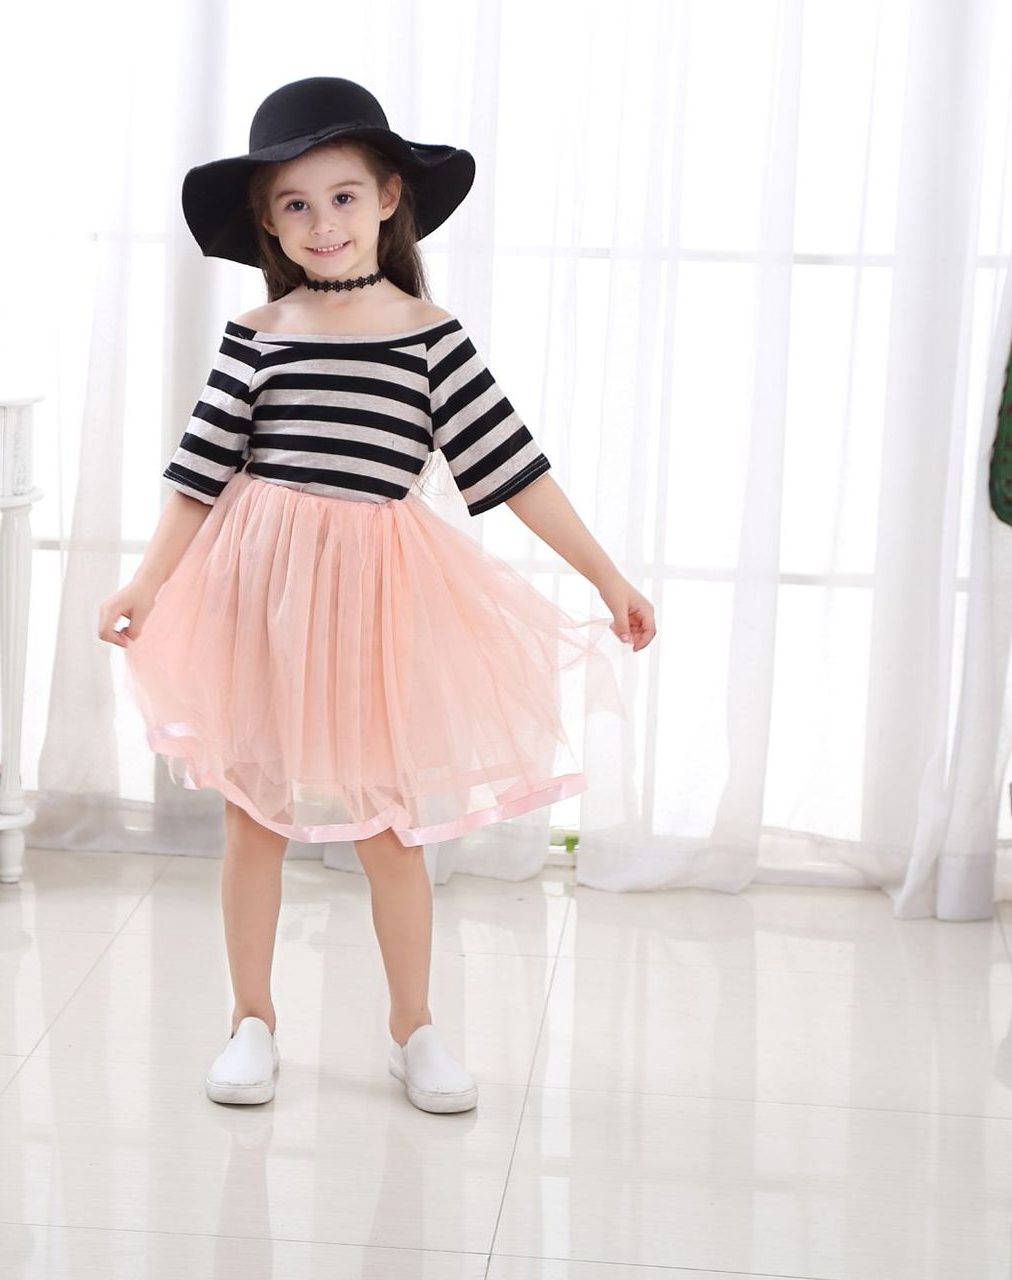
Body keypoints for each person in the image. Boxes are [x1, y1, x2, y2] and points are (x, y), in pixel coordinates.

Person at [96, 76, 656, 1114]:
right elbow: (200, 474)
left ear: (390, 198)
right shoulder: (258, 331)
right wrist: (146, 579)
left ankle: (414, 1027)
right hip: (260, 597)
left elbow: (515, 470)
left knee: (389, 825)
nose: (324, 222)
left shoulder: (431, 337)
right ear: (268, 221)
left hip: (374, 609)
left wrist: (607, 574)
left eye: (344, 197)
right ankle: (251, 1019)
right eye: (296, 204)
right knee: (253, 816)